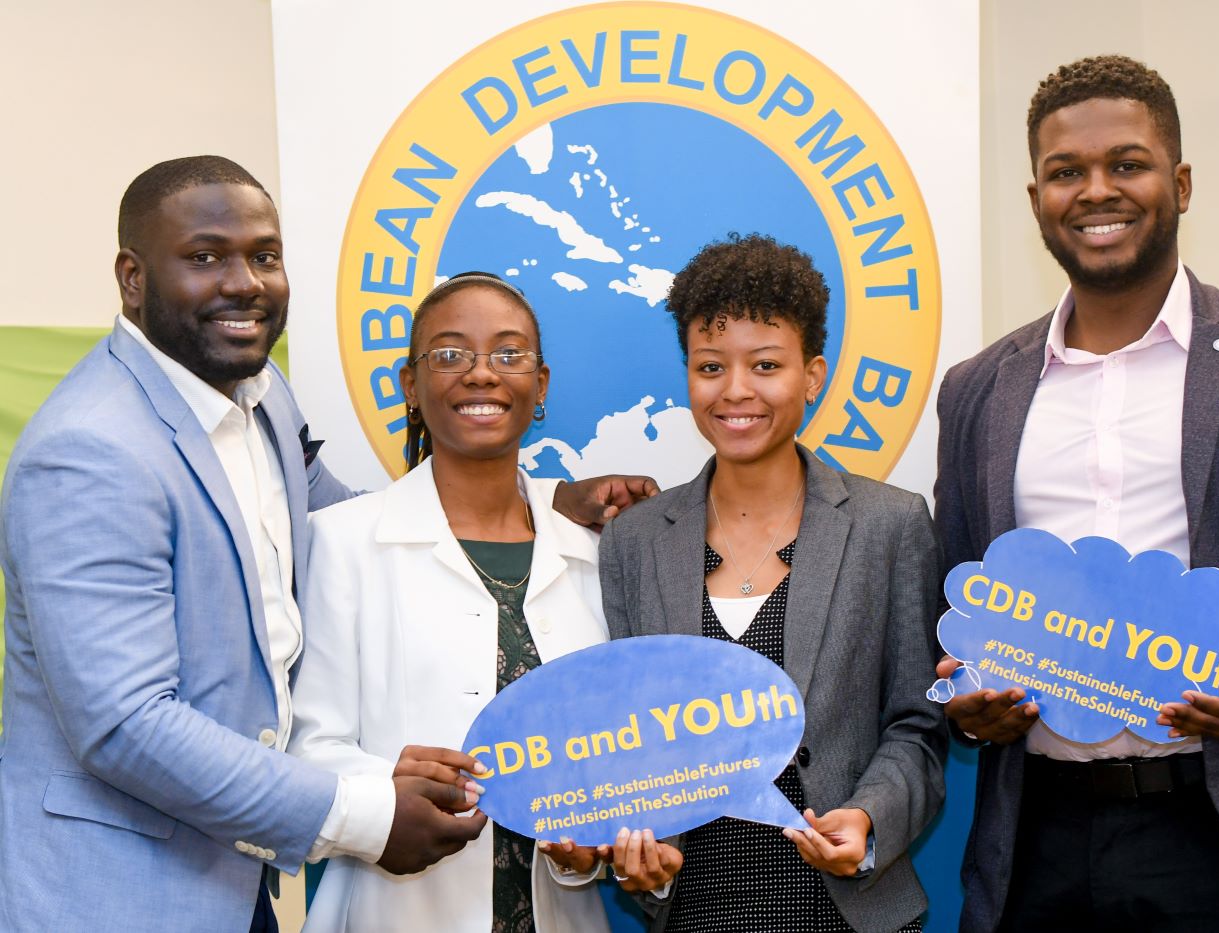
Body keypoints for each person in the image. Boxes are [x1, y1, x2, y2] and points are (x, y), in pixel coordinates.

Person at [0, 157, 655, 932]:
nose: (243, 282)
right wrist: (364, 813)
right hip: (117, 895)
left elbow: (356, 520)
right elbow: (126, 725)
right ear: (132, 277)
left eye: (264, 256)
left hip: (230, 878)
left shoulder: (259, 394)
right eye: (205, 256)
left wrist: (545, 504)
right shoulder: (91, 450)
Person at [932, 56, 1219, 933]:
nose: (1096, 190)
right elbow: (956, 598)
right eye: (1067, 172)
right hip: (1038, 838)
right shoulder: (977, 390)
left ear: (1179, 183)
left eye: (1128, 164)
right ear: (1036, 199)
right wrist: (968, 697)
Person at [599, 233, 947, 932]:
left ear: (812, 374)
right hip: (695, 907)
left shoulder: (891, 525)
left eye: (765, 364)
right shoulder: (633, 542)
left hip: (845, 910)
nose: (735, 391)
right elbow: (626, 742)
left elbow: (918, 723)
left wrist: (871, 815)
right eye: (709, 366)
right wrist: (639, 847)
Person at [288, 272, 616, 931]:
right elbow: (302, 750)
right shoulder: (343, 544)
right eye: (449, 353)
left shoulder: (598, 557)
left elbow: (617, 772)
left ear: (541, 385)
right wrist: (385, 788)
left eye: (507, 353)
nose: (480, 373)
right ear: (411, 385)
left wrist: (586, 855)